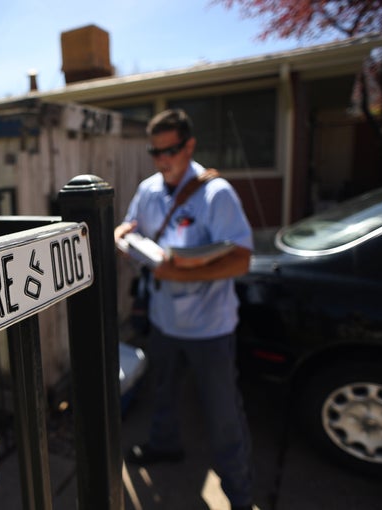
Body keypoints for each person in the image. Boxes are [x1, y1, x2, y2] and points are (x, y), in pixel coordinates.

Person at [114, 108, 255, 510]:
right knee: (164, 392)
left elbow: (241, 259)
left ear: (189, 146)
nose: (162, 160)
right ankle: (165, 445)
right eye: (154, 152)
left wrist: (185, 275)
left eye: (170, 151)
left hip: (211, 328)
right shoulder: (149, 189)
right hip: (164, 321)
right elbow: (130, 226)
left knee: (223, 414)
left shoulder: (216, 194)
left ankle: (240, 495)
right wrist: (123, 236)